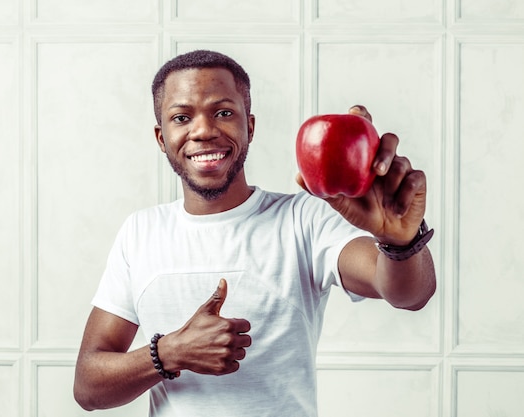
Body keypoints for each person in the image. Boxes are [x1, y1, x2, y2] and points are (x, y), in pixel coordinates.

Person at [73, 50, 436, 416]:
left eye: (224, 112)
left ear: (250, 126)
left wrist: (399, 240)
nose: (203, 130)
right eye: (181, 117)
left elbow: (408, 294)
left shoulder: (302, 219)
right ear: (161, 137)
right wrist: (170, 352)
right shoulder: (141, 232)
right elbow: (88, 387)